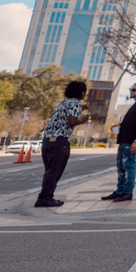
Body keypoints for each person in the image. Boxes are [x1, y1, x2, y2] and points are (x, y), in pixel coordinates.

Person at [35, 80, 87, 208]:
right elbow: (71, 121)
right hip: (60, 141)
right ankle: (45, 198)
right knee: (54, 172)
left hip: (48, 140)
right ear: (82, 93)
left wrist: (82, 108)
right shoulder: (75, 103)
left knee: (49, 171)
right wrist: (83, 120)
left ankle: (45, 196)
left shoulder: (62, 103)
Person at [103, 82, 136, 202]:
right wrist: (120, 126)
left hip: (131, 141)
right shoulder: (134, 105)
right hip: (123, 140)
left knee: (129, 166)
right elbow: (131, 123)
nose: (132, 91)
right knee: (120, 167)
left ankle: (127, 191)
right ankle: (120, 190)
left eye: (134, 89)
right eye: (131, 89)